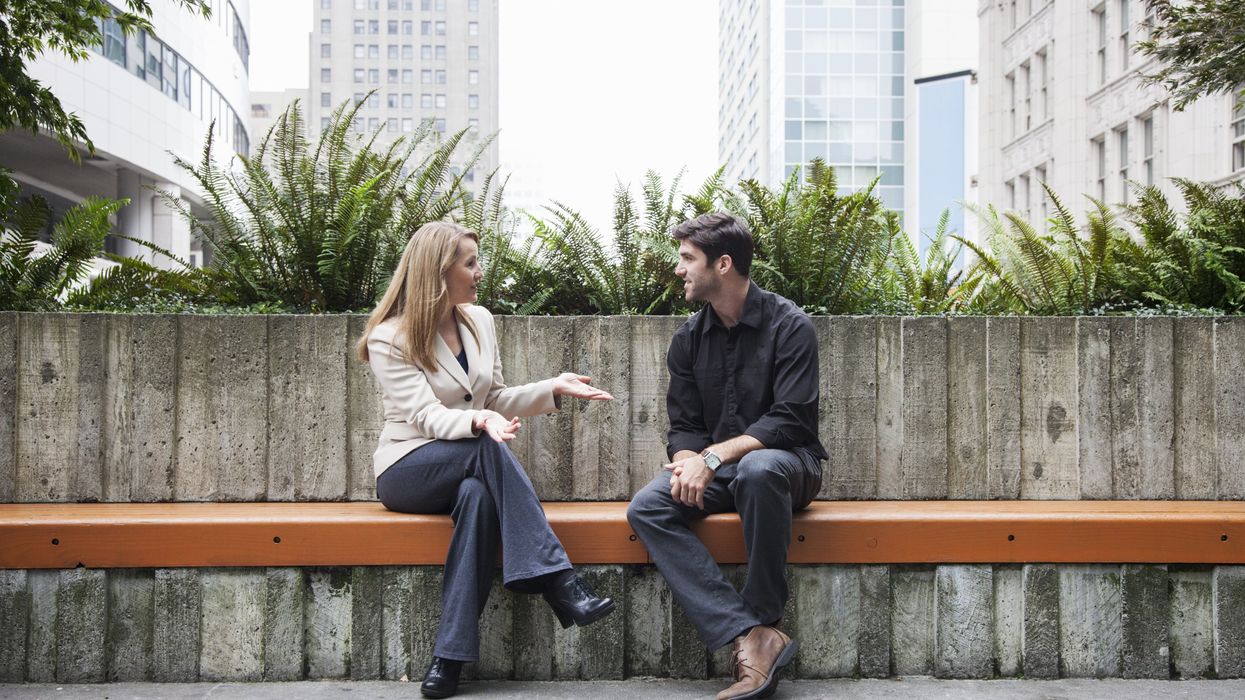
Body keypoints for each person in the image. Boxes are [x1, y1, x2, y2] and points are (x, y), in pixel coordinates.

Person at [357, 221, 616, 698]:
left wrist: (551, 387)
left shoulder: (481, 321)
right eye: (470, 263)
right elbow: (425, 415)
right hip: (408, 468)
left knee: (477, 498)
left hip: (469, 467)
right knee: (485, 448)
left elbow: (491, 396)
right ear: (439, 271)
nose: (480, 272)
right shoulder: (388, 338)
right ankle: (560, 580)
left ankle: (448, 659)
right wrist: (478, 425)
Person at [626, 212, 825, 700]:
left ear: (724, 264)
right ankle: (750, 634)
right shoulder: (688, 339)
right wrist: (691, 459)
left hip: (788, 466)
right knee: (647, 506)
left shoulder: (790, 325)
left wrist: (712, 457)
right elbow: (685, 425)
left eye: (688, 259)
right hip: (720, 472)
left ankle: (765, 617)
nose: (680, 270)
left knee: (757, 469)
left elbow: (792, 420)